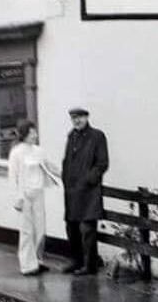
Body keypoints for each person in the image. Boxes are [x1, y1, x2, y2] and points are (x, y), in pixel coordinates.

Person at [8, 119, 61, 276]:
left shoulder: (38, 151)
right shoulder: (16, 153)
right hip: (24, 195)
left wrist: (67, 175)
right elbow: (13, 177)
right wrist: (17, 198)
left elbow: (50, 166)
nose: (35, 135)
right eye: (32, 133)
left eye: (35, 132)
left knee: (40, 228)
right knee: (26, 231)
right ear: (24, 134)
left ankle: (38, 261)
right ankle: (27, 265)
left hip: (38, 193)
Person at [61, 107, 109, 276]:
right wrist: (66, 180)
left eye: (80, 117)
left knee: (87, 229)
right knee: (71, 227)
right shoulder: (71, 136)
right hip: (72, 192)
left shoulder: (97, 136)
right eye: (73, 118)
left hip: (89, 193)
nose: (77, 121)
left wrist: (89, 179)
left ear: (87, 117)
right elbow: (67, 161)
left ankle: (90, 265)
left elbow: (102, 163)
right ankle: (77, 261)